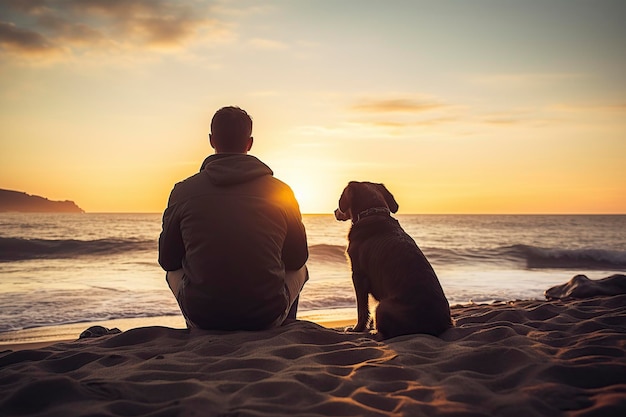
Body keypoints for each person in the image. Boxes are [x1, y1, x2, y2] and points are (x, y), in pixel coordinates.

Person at [159, 106, 309, 330]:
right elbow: (297, 258)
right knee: (301, 270)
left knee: (174, 270)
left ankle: (197, 327)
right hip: (264, 316)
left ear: (212, 140)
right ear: (249, 143)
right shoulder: (281, 192)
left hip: (203, 317)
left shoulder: (183, 191)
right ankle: (283, 329)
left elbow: (168, 260)